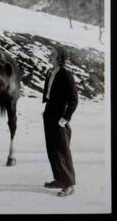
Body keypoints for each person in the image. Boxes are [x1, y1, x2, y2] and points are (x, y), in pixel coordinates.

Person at [42, 45, 78, 197]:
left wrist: (65, 118)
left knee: (62, 150)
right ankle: (59, 179)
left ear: (60, 58)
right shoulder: (51, 72)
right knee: (52, 149)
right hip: (49, 113)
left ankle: (69, 184)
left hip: (60, 117)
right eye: (50, 53)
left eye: (53, 54)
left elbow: (74, 99)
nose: (49, 56)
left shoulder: (66, 75)